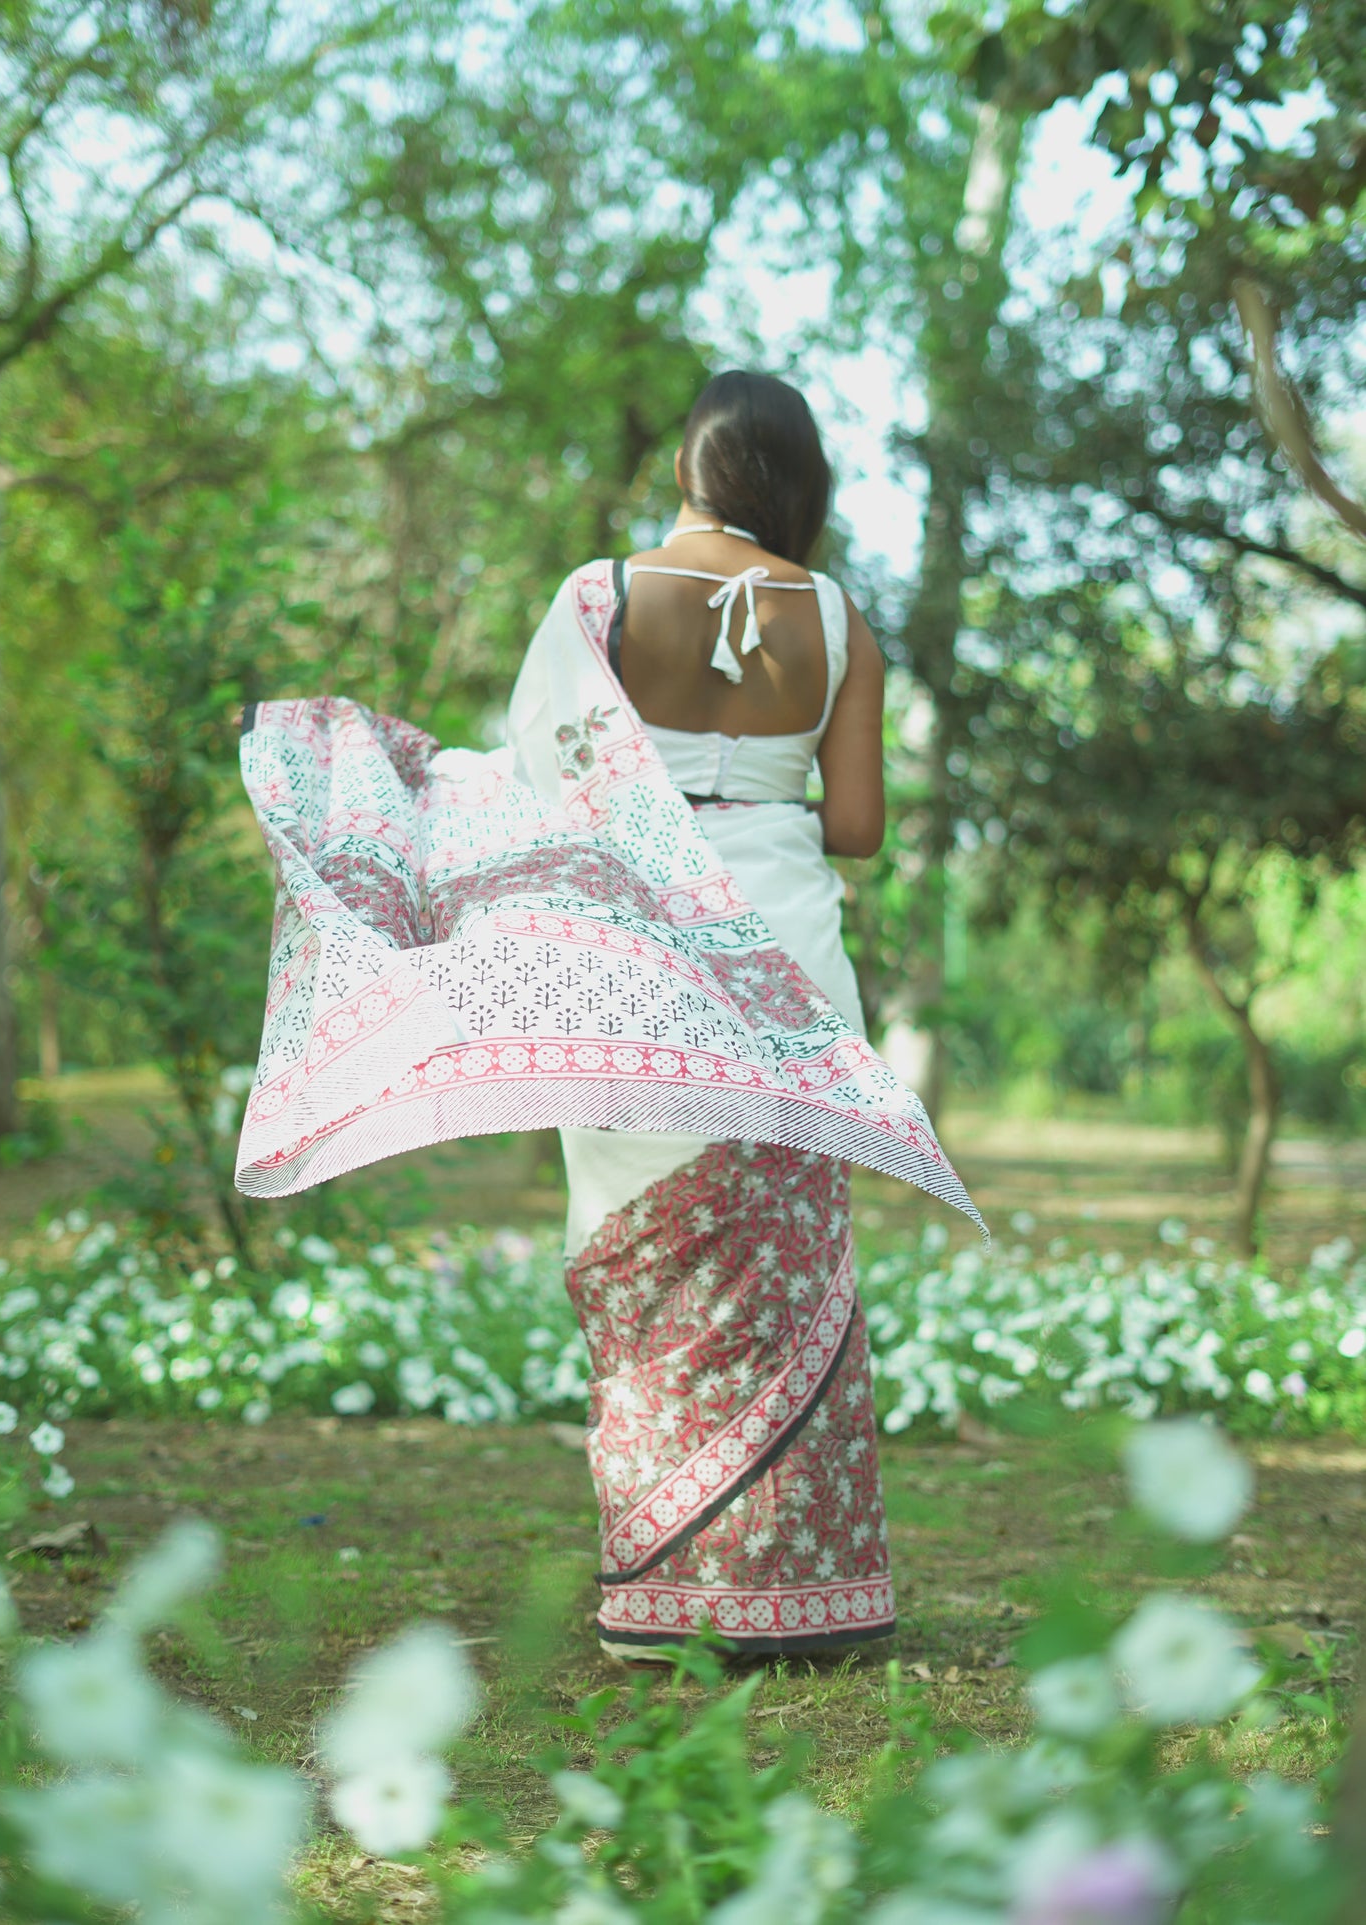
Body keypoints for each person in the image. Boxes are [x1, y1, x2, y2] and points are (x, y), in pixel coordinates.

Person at [233, 370, 981, 1662]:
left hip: (630, 951)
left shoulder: (600, 597)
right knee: (783, 1259)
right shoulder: (837, 614)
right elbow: (854, 826)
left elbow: (536, 780)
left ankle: (667, 1598)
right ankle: (803, 1596)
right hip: (786, 948)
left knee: (643, 1258)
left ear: (685, 471)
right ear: (797, 484)